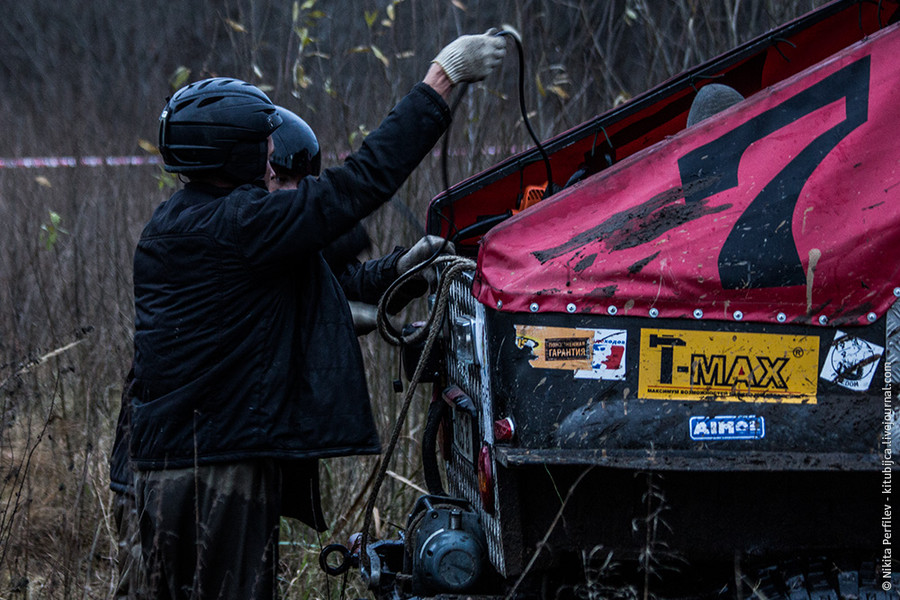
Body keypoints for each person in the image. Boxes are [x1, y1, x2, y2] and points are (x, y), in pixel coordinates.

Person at [121, 32, 505, 600]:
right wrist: (441, 80)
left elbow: (327, 283)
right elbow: (359, 185)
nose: (271, 157)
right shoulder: (241, 223)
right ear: (235, 152)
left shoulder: (186, 221)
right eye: (261, 145)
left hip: (171, 462)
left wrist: (406, 269)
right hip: (211, 470)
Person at [268, 104, 453, 334]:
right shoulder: (240, 247)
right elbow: (368, 174)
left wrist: (401, 271)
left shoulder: (303, 246)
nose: (295, 192)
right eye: (282, 179)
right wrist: (318, 323)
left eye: (303, 182)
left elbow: (347, 286)